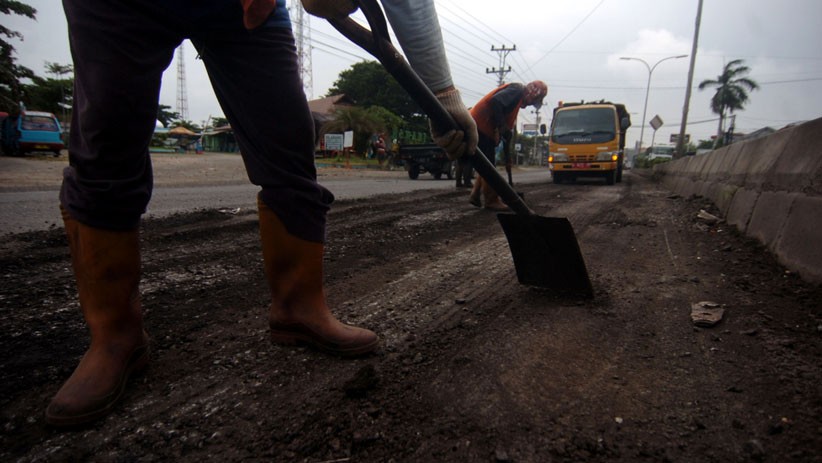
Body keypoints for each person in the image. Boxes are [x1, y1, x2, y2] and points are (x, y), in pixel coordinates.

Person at [47, 0, 477, 427]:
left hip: (243, 7)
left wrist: (443, 95)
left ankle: (298, 309)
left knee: (288, 137)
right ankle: (115, 337)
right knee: (107, 142)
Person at [467, 81, 547, 210]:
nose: (530, 105)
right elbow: (495, 102)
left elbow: (506, 135)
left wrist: (508, 158)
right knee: (489, 167)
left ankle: (475, 195)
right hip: (480, 125)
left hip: (482, 126)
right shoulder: (517, 91)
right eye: (533, 101)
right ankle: (491, 200)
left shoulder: (517, 100)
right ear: (532, 94)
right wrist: (501, 126)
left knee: (486, 163)